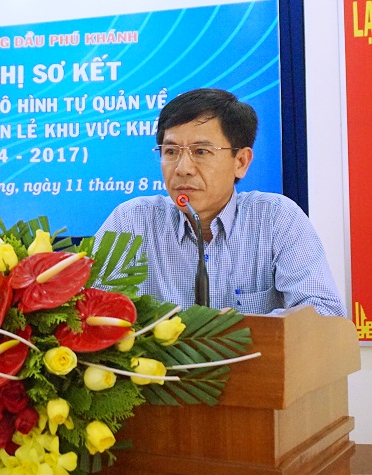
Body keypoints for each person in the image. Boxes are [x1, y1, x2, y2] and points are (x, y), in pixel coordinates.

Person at [94, 88, 347, 317]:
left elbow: (325, 314)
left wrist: (239, 330)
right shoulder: (132, 221)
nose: (183, 168)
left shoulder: (276, 218)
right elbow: (86, 309)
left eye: (201, 152)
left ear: (241, 162)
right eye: (171, 151)